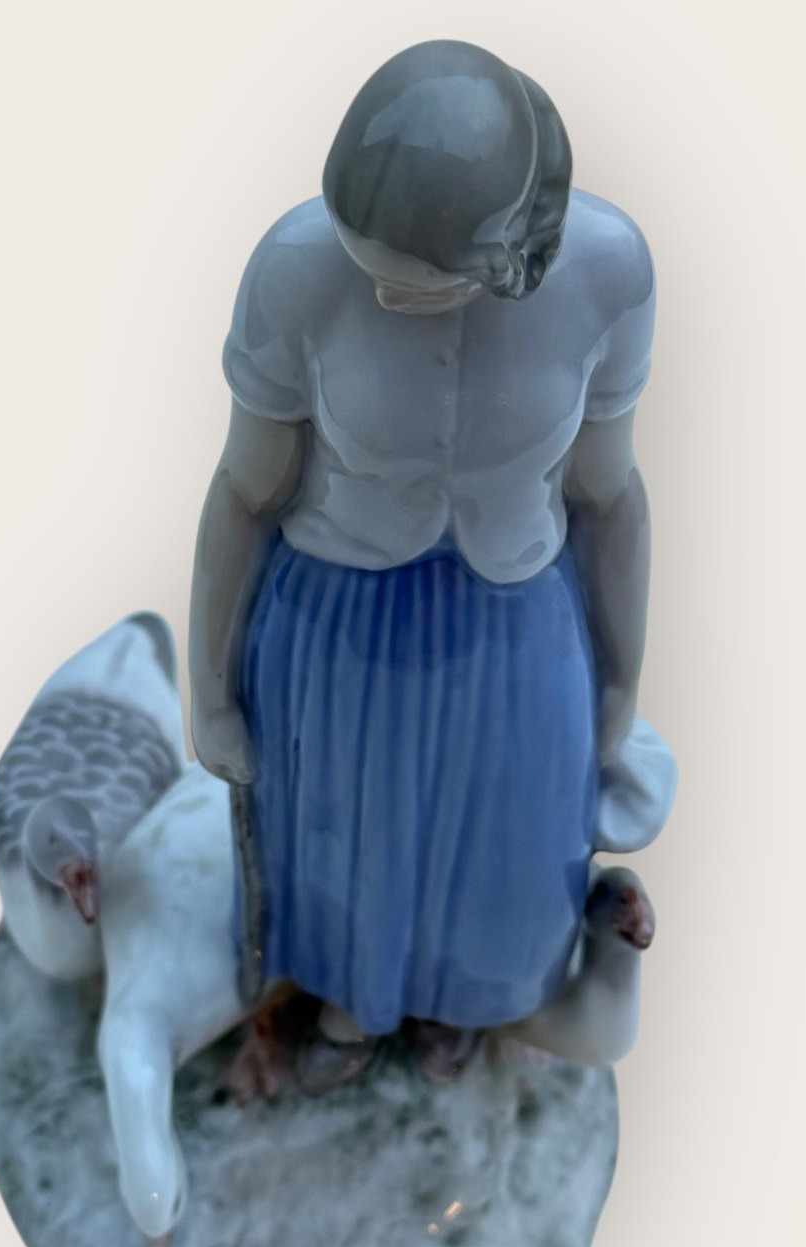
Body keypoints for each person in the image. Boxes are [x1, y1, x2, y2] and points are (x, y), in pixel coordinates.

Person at [188, 40, 674, 1094]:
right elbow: (243, 493)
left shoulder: (608, 272)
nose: (382, 295)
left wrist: (623, 677)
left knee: (505, 841)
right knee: (344, 841)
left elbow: (607, 494)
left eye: (420, 282)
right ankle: (348, 1003)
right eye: (369, 268)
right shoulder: (295, 271)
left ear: (507, 257)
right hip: (336, 625)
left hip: (517, 622)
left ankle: (470, 1001)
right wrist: (211, 692)